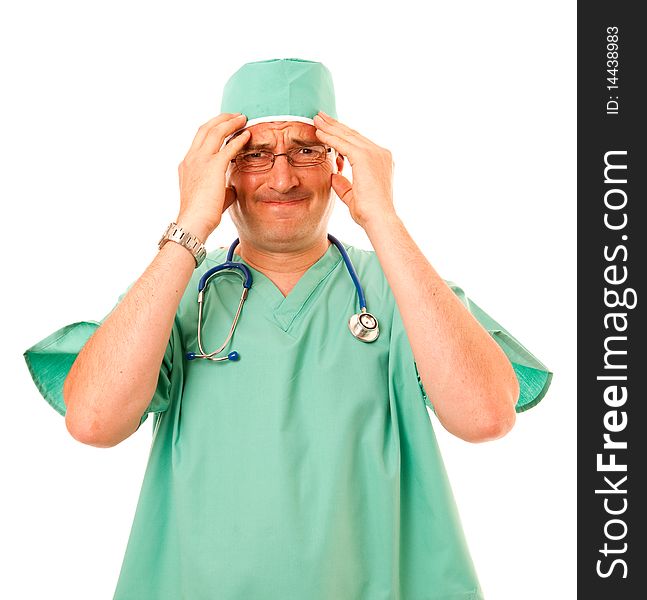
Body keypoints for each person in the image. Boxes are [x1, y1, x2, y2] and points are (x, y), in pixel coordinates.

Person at [24, 58, 552, 599]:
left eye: (306, 150)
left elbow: (486, 416)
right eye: (253, 155)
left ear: (338, 163)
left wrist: (384, 219)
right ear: (222, 172)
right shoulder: (175, 292)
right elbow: (92, 421)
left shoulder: (403, 289)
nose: (283, 178)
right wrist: (190, 224)